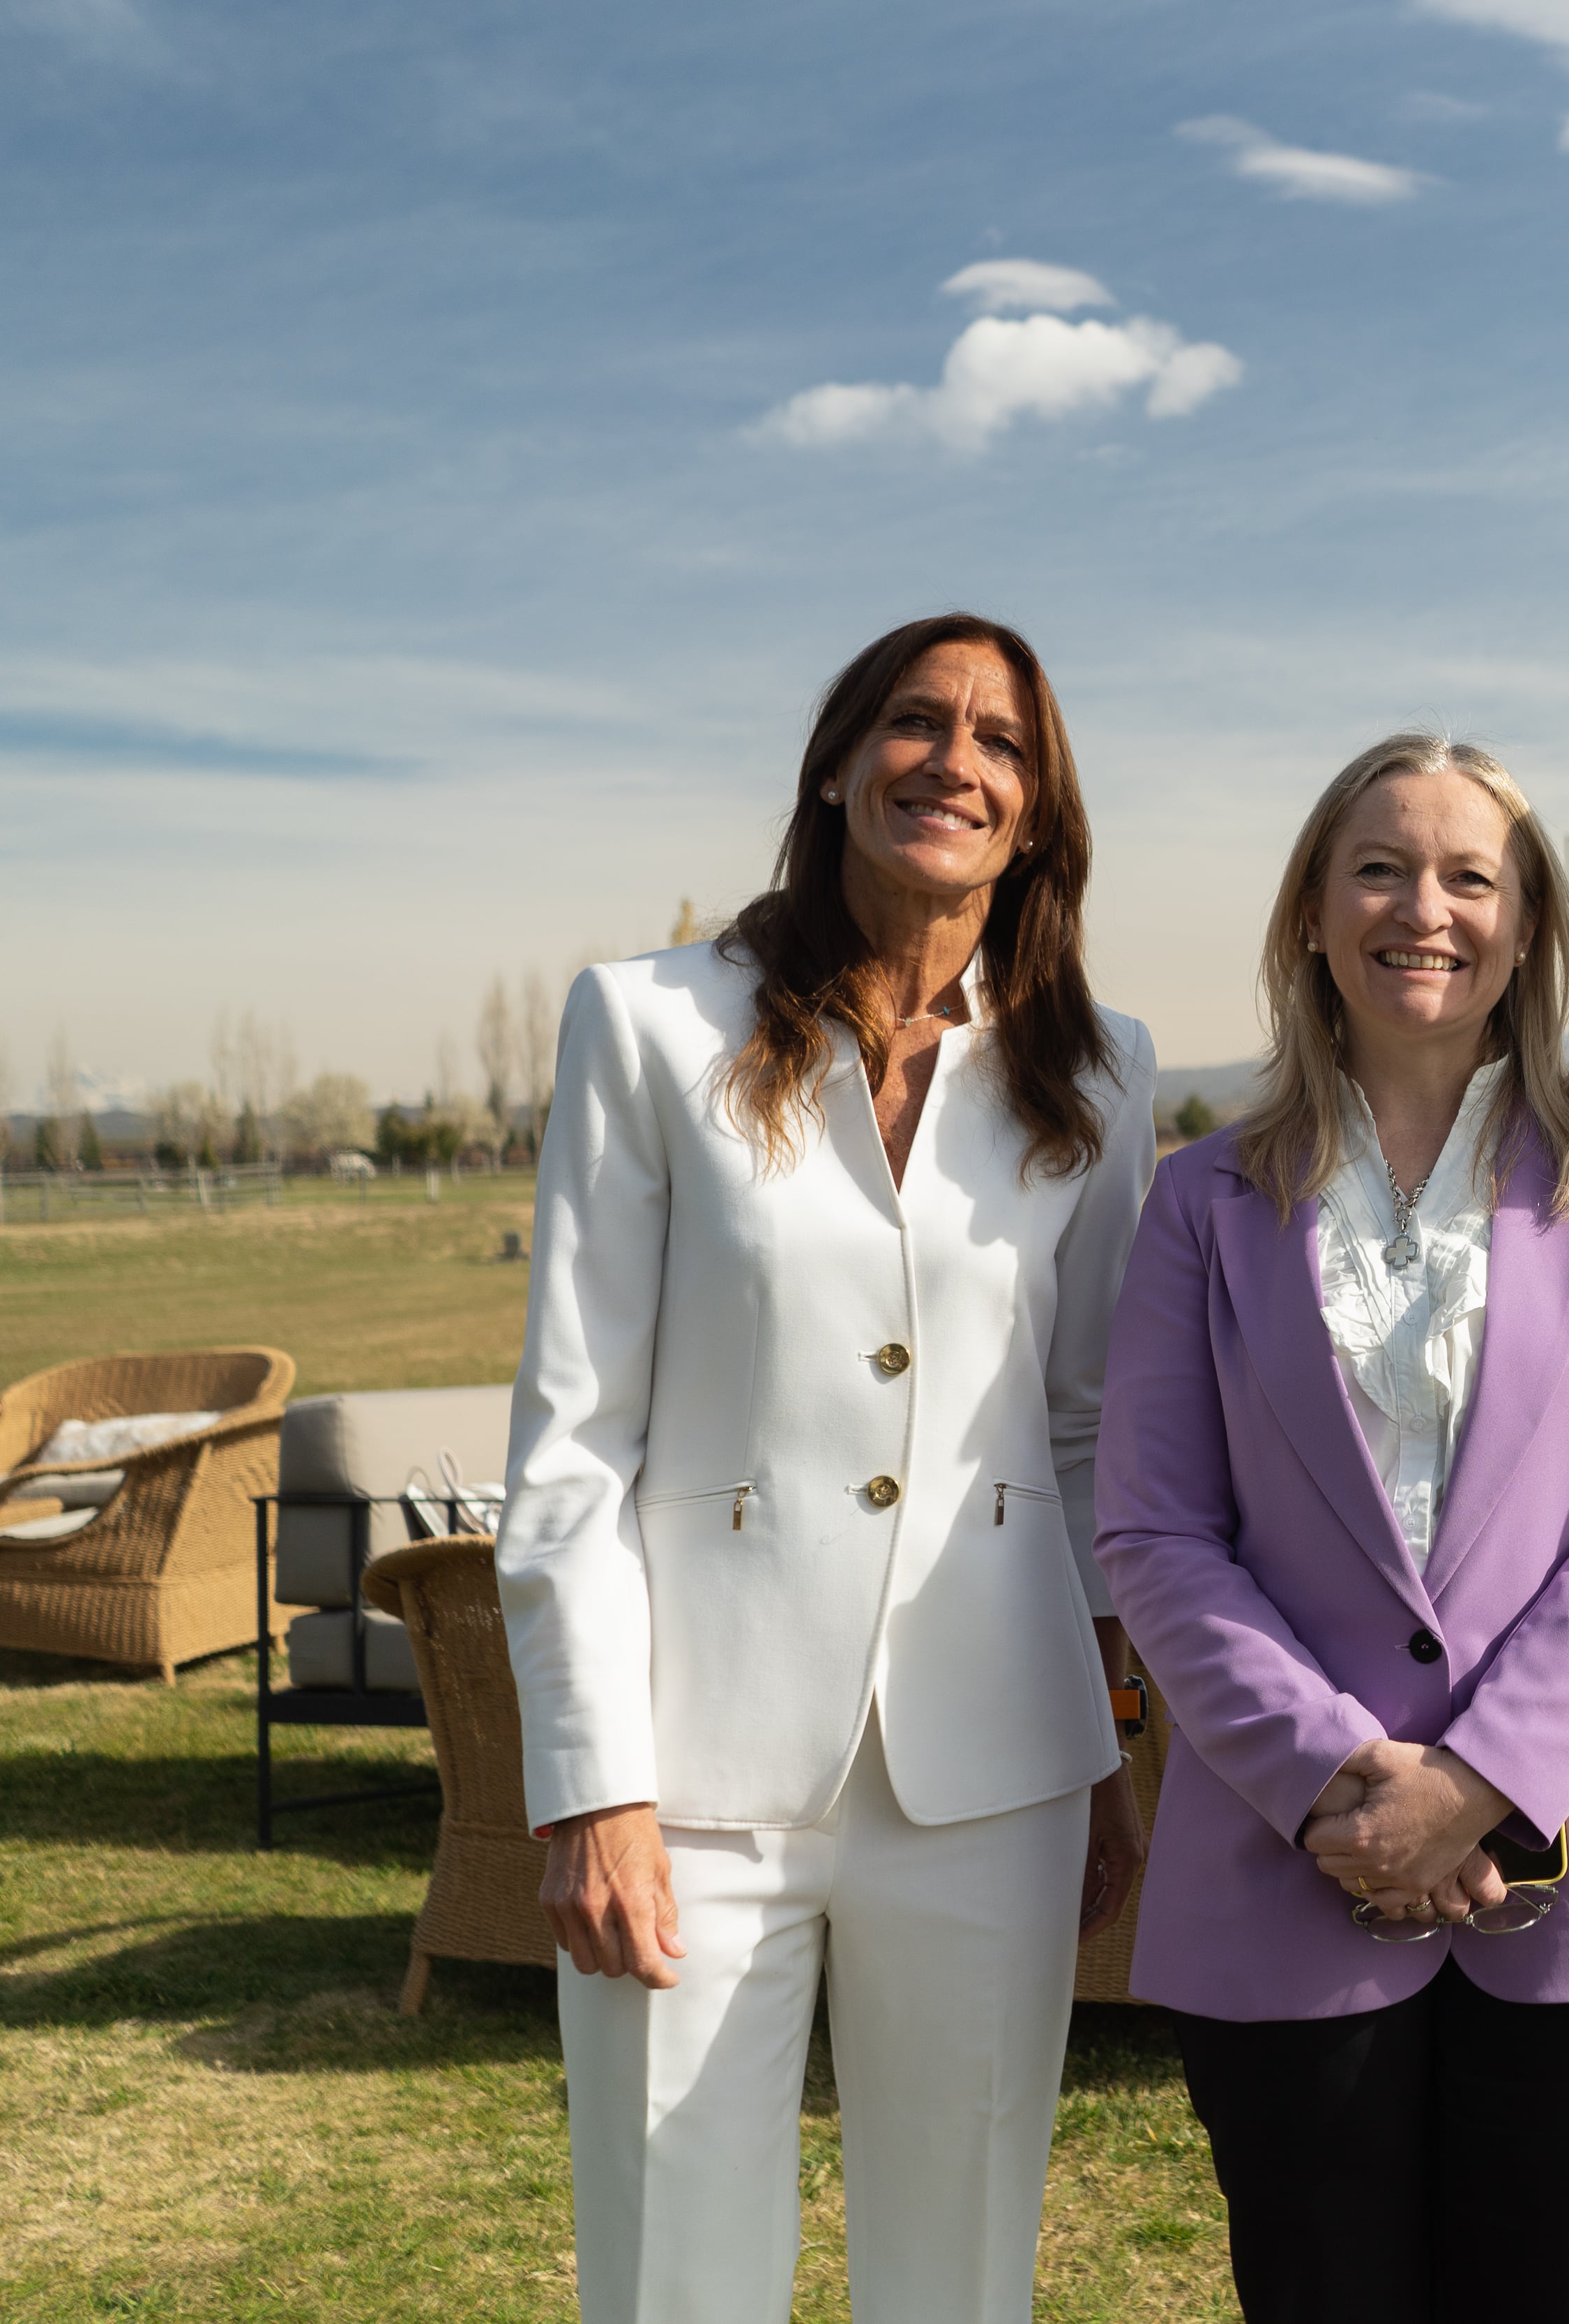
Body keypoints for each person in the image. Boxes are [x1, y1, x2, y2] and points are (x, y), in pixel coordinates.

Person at [497, 613, 1158, 2324]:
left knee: (961, 2262)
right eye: (915, 721)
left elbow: (1085, 1425)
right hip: (686, 1769)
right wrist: (587, 1775)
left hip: (997, 1759)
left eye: (1001, 741)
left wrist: (1101, 1744)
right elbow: (574, 1430)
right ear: (835, 762)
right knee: (674, 2268)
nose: (955, 758)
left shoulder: (1099, 1066)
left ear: (1038, 813)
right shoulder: (645, 1024)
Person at [1093, 732, 1569, 2324]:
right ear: (1312, 912)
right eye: (1378, 866)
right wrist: (1336, 1774)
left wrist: (1481, 1778)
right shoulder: (1203, 1201)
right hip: (1286, 1861)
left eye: (1470, 874)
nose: (1422, 907)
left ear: (1528, 924)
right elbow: (1157, 1531)